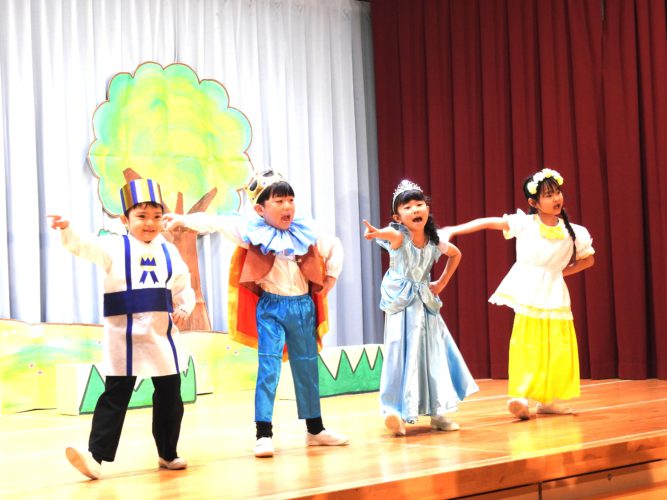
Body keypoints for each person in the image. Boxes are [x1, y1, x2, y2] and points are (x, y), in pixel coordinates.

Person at [163, 169, 349, 458]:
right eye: (279, 201)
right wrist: (183, 220)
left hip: (303, 307)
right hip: (272, 307)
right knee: (269, 368)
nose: (287, 206)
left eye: (290, 200)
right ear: (261, 209)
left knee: (307, 367)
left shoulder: (306, 231)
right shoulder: (251, 230)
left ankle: (315, 428)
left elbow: (334, 246)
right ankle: (264, 433)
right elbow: (216, 222)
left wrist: (331, 280)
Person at [49, 178, 195, 479]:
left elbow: (183, 285)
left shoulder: (170, 251)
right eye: (141, 216)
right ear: (125, 219)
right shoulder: (114, 247)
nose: (150, 223)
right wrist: (68, 229)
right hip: (124, 338)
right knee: (115, 396)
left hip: (161, 334)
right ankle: (96, 457)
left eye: (156, 216)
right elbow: (85, 246)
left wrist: (185, 306)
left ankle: (168, 452)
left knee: (170, 396)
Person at [442, 168, 595, 420]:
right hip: (530, 292)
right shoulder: (525, 224)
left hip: (555, 293)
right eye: (548, 195)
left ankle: (548, 400)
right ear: (534, 203)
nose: (556, 198)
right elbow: (488, 222)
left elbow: (588, 260)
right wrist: (454, 229)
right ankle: (521, 397)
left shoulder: (575, 231)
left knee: (557, 347)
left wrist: (559, 273)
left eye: (557, 192)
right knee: (528, 344)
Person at [362, 180, 479, 436]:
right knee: (399, 354)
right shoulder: (399, 236)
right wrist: (376, 233)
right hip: (402, 305)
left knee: (433, 355)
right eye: (407, 207)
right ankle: (394, 411)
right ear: (398, 217)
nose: (415, 209)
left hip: (425, 305)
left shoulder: (434, 241)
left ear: (427, 208)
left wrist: (441, 283)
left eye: (419, 204)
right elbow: (388, 234)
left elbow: (456, 254)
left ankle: (439, 411)